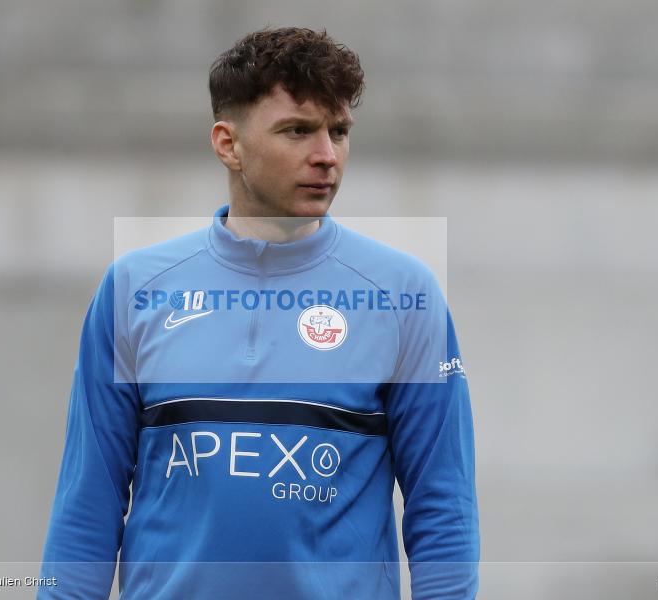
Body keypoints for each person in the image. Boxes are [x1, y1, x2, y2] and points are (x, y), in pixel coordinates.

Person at [39, 27, 479, 599]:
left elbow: (443, 509)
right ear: (228, 143)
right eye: (298, 131)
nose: (326, 155)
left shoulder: (402, 295)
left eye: (338, 131)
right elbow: (87, 505)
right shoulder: (134, 289)